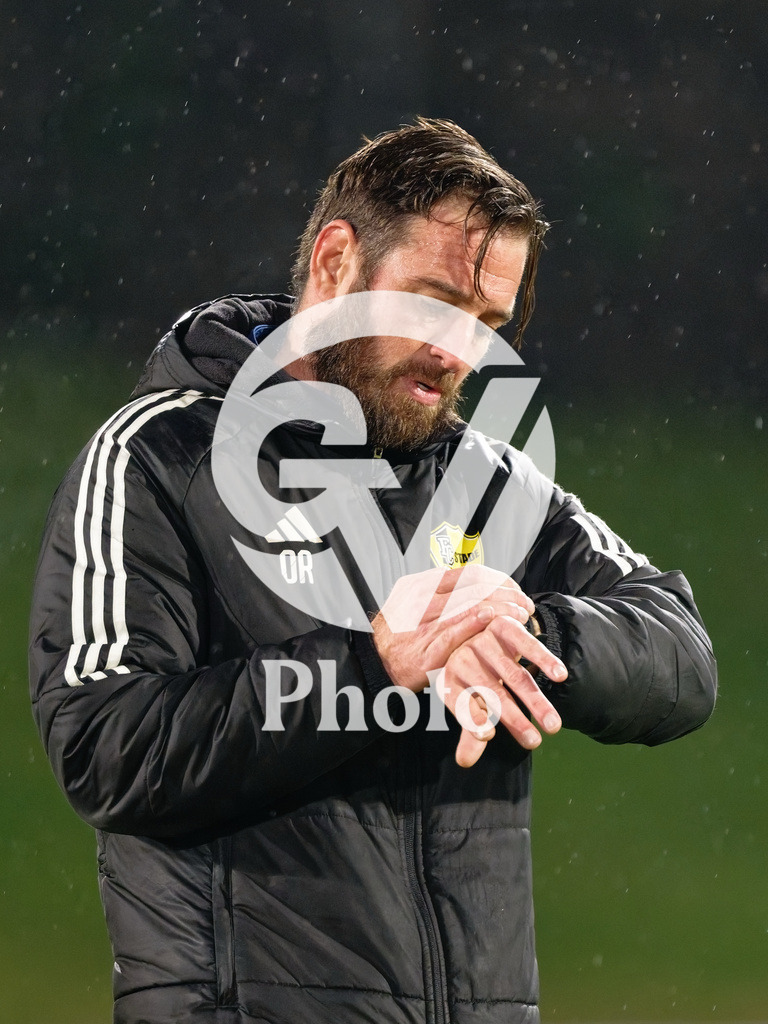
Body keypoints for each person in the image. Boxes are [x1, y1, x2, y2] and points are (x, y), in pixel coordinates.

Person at [29, 118, 716, 1024]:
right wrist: (374, 664)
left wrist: (529, 630)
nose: (459, 353)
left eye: (488, 324)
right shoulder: (159, 457)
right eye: (435, 304)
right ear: (337, 262)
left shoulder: (486, 483)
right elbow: (105, 745)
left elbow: (683, 655)